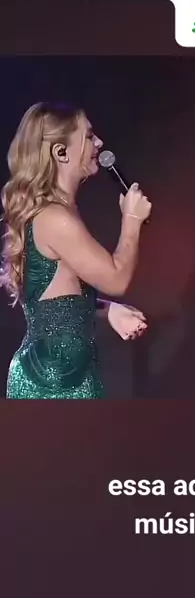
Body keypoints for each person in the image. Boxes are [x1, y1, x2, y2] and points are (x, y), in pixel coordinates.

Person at [0, 102, 152, 399]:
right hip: (52, 383)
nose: (100, 143)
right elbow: (117, 279)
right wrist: (132, 220)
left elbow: (57, 305)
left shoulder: (56, 213)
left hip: (67, 376)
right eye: (89, 136)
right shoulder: (54, 218)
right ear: (61, 152)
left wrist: (108, 310)